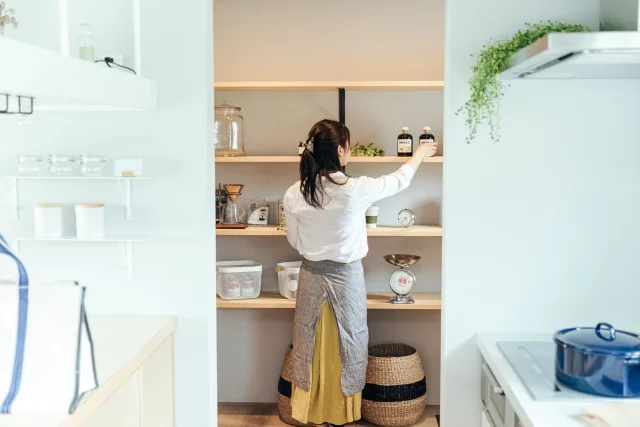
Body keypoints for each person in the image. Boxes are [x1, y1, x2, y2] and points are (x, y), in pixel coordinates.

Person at [283, 119, 437, 426]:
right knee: (348, 345)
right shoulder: (355, 190)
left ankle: (312, 412)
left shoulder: (294, 193)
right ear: (341, 151)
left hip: (310, 278)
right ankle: (341, 414)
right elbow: (399, 180)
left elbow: (294, 241)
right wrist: (420, 153)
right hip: (347, 279)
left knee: (309, 344)